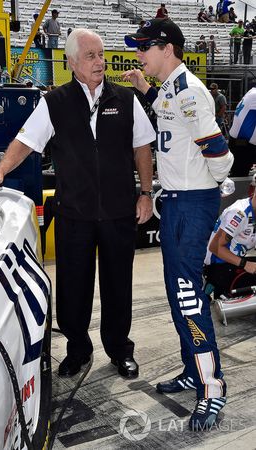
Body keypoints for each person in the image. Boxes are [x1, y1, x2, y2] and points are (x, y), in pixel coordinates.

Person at [0, 28, 156, 380]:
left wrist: (146, 193)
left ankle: (120, 349)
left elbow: (142, 148)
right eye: (90, 56)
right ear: (71, 62)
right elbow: (26, 141)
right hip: (75, 212)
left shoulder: (126, 99)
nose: (100, 62)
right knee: (73, 285)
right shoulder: (54, 102)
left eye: (101, 55)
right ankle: (77, 350)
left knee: (119, 283)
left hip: (120, 211)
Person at [123, 18, 234, 431]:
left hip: (191, 203)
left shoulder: (189, 91)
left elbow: (220, 154)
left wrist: (214, 182)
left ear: (166, 47)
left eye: (143, 48)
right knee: (176, 292)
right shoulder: (170, 88)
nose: (138, 54)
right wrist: (144, 87)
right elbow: (168, 111)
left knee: (188, 296)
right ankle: (193, 368)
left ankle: (212, 386)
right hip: (176, 202)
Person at [204, 188, 256, 298]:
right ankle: (212, 286)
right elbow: (215, 247)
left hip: (235, 263)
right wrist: (245, 264)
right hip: (218, 265)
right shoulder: (239, 213)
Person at [229, 85, 256, 176]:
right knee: (239, 177)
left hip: (239, 142)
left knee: (238, 174)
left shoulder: (251, 93)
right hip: (242, 144)